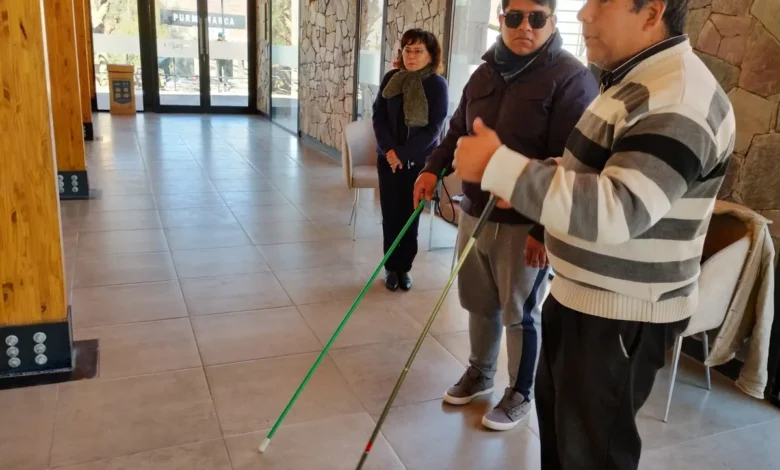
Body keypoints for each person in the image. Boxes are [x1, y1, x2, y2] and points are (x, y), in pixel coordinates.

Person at [452, 0, 736, 466]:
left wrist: (503, 169)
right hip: (584, 300)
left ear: (651, 12)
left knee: (591, 456)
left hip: (620, 317)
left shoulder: (678, 97)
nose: (583, 14)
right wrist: (528, 176)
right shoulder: (634, 80)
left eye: (600, 1)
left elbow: (617, 210)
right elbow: (594, 171)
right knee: (565, 448)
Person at [414, 0, 598, 431]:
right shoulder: (484, 73)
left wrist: (543, 230)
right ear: (501, 19)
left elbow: (572, 166)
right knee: (478, 302)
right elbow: (457, 131)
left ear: (552, 21)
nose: (525, 26)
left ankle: (520, 391)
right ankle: (481, 373)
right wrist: (431, 168)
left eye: (536, 17)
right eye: (514, 17)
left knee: (520, 312)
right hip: (475, 212)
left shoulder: (572, 79)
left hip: (525, 224)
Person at [372, 29, 449, 292]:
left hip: (418, 163)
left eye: (418, 51)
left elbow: (434, 128)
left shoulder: (437, 85)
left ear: (431, 55)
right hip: (388, 161)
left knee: (410, 217)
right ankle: (390, 268)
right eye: (407, 50)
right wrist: (389, 152)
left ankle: (404, 268)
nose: (411, 56)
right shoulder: (391, 78)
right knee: (390, 216)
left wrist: (403, 154)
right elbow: (378, 117)